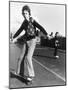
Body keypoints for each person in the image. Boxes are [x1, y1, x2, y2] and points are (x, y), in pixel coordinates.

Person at [12, 5, 48, 82]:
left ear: (29, 13)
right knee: (20, 57)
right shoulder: (24, 23)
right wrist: (14, 37)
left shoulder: (32, 20)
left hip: (32, 41)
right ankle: (19, 72)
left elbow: (40, 27)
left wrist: (46, 34)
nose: (25, 15)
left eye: (26, 13)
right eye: (24, 14)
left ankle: (31, 75)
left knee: (28, 57)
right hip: (26, 40)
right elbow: (19, 31)